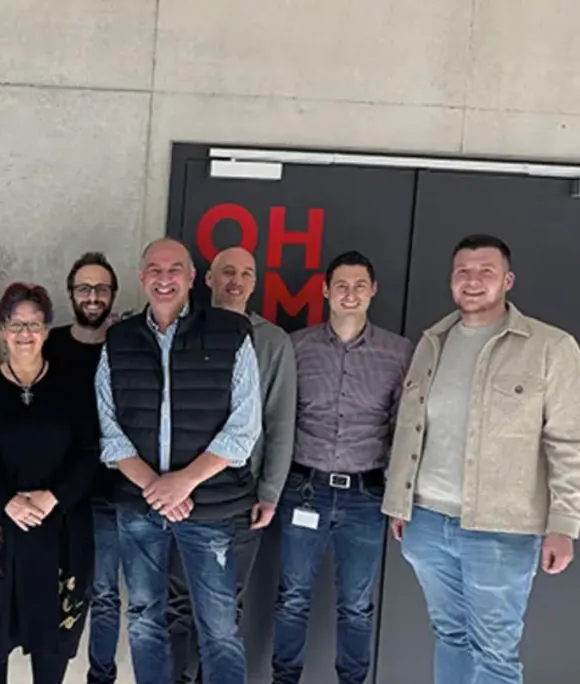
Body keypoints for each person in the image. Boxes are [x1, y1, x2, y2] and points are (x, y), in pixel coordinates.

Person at [385, 234, 580, 684]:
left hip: (501, 530)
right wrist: (400, 502)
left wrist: (564, 524)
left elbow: (568, 442)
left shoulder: (550, 347)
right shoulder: (433, 341)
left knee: (495, 652)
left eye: (486, 272)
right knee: (449, 635)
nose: (472, 281)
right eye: (463, 272)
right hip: (427, 521)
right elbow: (411, 426)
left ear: (507, 280)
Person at [97, 237, 261, 684]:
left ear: (192, 278)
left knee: (219, 626)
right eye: (155, 269)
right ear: (141, 278)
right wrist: (157, 489)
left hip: (210, 506)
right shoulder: (118, 339)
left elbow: (244, 429)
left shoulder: (232, 333)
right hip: (140, 506)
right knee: (144, 618)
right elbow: (110, 430)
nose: (164, 278)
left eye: (174, 270)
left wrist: (182, 483)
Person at [272, 250, 412, 684]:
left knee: (357, 604)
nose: (350, 294)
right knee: (292, 597)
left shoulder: (399, 352)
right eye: (342, 286)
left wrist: (399, 496)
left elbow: (403, 427)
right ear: (325, 290)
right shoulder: (296, 347)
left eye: (359, 286)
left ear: (373, 291)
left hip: (366, 497)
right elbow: (279, 419)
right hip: (304, 488)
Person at [0, 282, 99, 684]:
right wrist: (8, 501)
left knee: (53, 645)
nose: (25, 334)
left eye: (34, 324)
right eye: (16, 324)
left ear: (47, 330)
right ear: (2, 330)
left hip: (59, 529)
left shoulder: (72, 386)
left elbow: (89, 452)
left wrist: (54, 497)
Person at [168, 246, 296, 684]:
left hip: (242, 498)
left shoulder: (273, 342)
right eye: (226, 272)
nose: (235, 281)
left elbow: (280, 421)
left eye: (245, 274)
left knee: (225, 609)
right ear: (208, 279)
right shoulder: (181, 329)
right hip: (181, 496)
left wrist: (270, 493)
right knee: (176, 603)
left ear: (255, 283)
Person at [44, 252, 123, 684]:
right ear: (70, 293)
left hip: (111, 492)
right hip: (56, 494)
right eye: (84, 288)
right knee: (50, 588)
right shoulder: (49, 345)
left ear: (113, 294)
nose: (93, 296)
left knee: (105, 594)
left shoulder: (126, 344)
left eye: (101, 288)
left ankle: (100, 677)